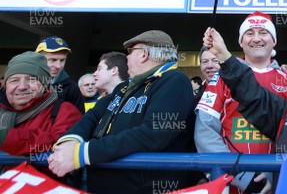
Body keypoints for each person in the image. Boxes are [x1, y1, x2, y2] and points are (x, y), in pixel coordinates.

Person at [49, 30, 197, 193]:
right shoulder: (126, 86)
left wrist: (83, 152)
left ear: (144, 54)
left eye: (130, 52)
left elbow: (154, 133)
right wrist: (71, 141)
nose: (126, 58)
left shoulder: (174, 80)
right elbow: (93, 116)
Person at [195, 11, 287, 194]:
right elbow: (204, 131)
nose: (256, 39)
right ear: (241, 42)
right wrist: (242, 176)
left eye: (263, 32)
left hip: (280, 182)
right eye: (249, 33)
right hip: (233, 183)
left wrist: (278, 174)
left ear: (274, 41)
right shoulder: (222, 77)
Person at [0, 51, 81, 156]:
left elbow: (62, 147)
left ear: (44, 84)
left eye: (31, 80)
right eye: (14, 80)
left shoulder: (65, 112)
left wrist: (6, 137)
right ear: (6, 85)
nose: (22, 86)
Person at [36, 36, 85, 114]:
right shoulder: (24, 84)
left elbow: (79, 121)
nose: (58, 66)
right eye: (53, 60)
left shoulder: (72, 89)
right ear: (39, 59)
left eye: (62, 60)